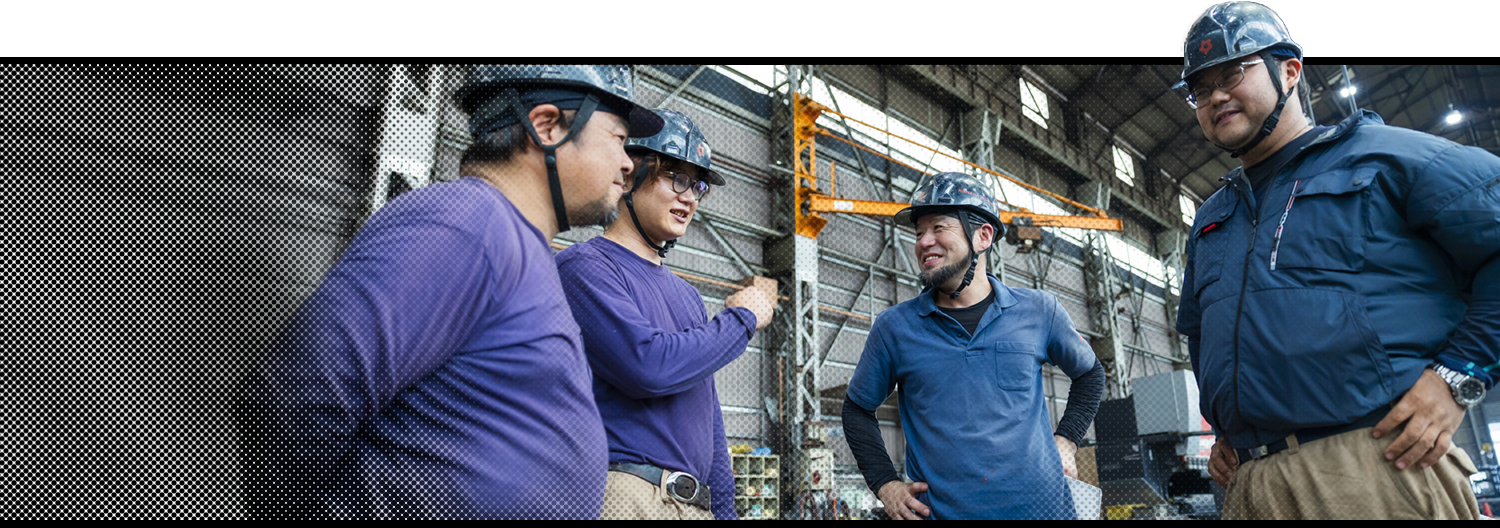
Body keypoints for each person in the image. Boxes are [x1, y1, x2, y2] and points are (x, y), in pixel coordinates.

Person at [242, 64, 665, 519]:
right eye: (618, 138)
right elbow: (297, 398)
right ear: (547, 127)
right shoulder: (469, 223)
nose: (628, 163)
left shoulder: (513, 246)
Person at [1173, 2, 1500, 519]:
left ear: (1289, 71)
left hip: (1376, 464)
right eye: (1199, 88)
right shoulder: (1214, 217)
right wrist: (1225, 427)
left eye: (1233, 74)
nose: (1215, 96)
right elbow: (1200, 332)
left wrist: (1458, 375)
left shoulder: (1385, 158)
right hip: (1251, 484)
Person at [841, 171, 1106, 519]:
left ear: (983, 236)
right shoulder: (895, 328)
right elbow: (857, 410)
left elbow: (1090, 374)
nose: (923, 241)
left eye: (939, 227)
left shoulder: (1040, 311)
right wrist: (886, 485)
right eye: (919, 233)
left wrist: (1067, 440)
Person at [555, 109, 774, 520]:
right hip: (627, 494)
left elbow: (708, 418)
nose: (690, 197)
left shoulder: (688, 296)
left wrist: (724, 510)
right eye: (676, 178)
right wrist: (741, 319)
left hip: (694, 503)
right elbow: (647, 366)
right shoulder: (585, 268)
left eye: (698, 186)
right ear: (629, 176)